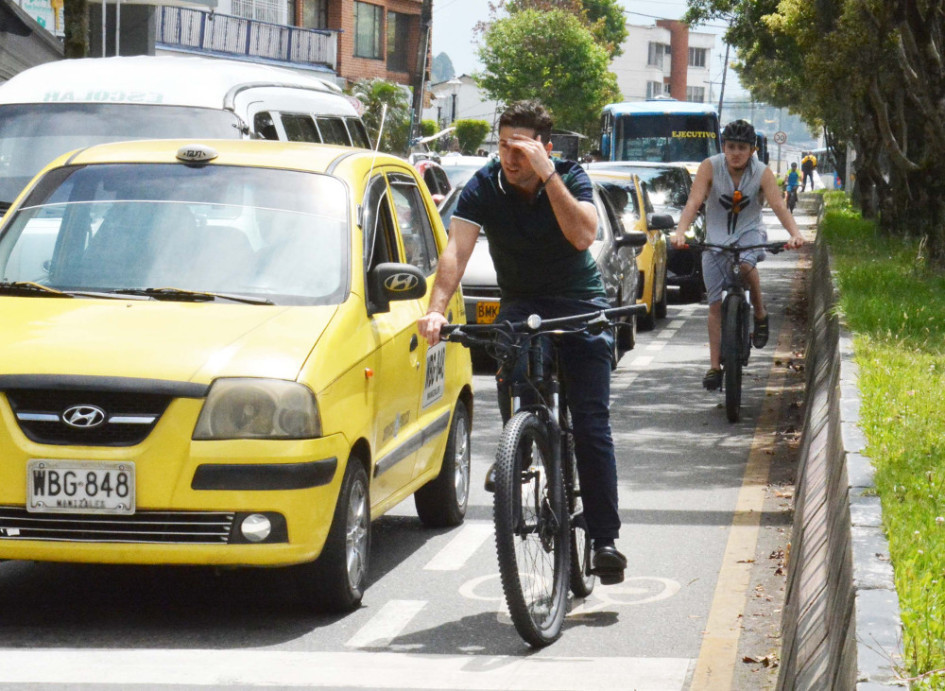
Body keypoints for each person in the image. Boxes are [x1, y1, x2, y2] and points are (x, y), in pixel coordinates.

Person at [417, 100, 627, 585]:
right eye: (503, 145)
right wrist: (435, 309)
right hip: (522, 301)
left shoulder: (570, 177)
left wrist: (548, 176)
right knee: (513, 364)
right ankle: (519, 452)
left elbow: (582, 236)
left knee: (592, 425)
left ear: (544, 147)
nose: (509, 158)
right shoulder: (483, 186)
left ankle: (604, 540)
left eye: (521, 148)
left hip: (578, 302)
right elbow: (456, 251)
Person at [670, 119, 805, 391]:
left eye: (742, 147)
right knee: (715, 305)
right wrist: (680, 232)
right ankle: (713, 366)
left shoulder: (763, 173)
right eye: (730, 146)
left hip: (749, 234)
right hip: (715, 239)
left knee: (746, 265)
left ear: (752, 150)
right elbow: (694, 202)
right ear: (724, 146)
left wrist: (795, 234)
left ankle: (760, 312)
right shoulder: (709, 166)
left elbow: (779, 206)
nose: (736, 152)